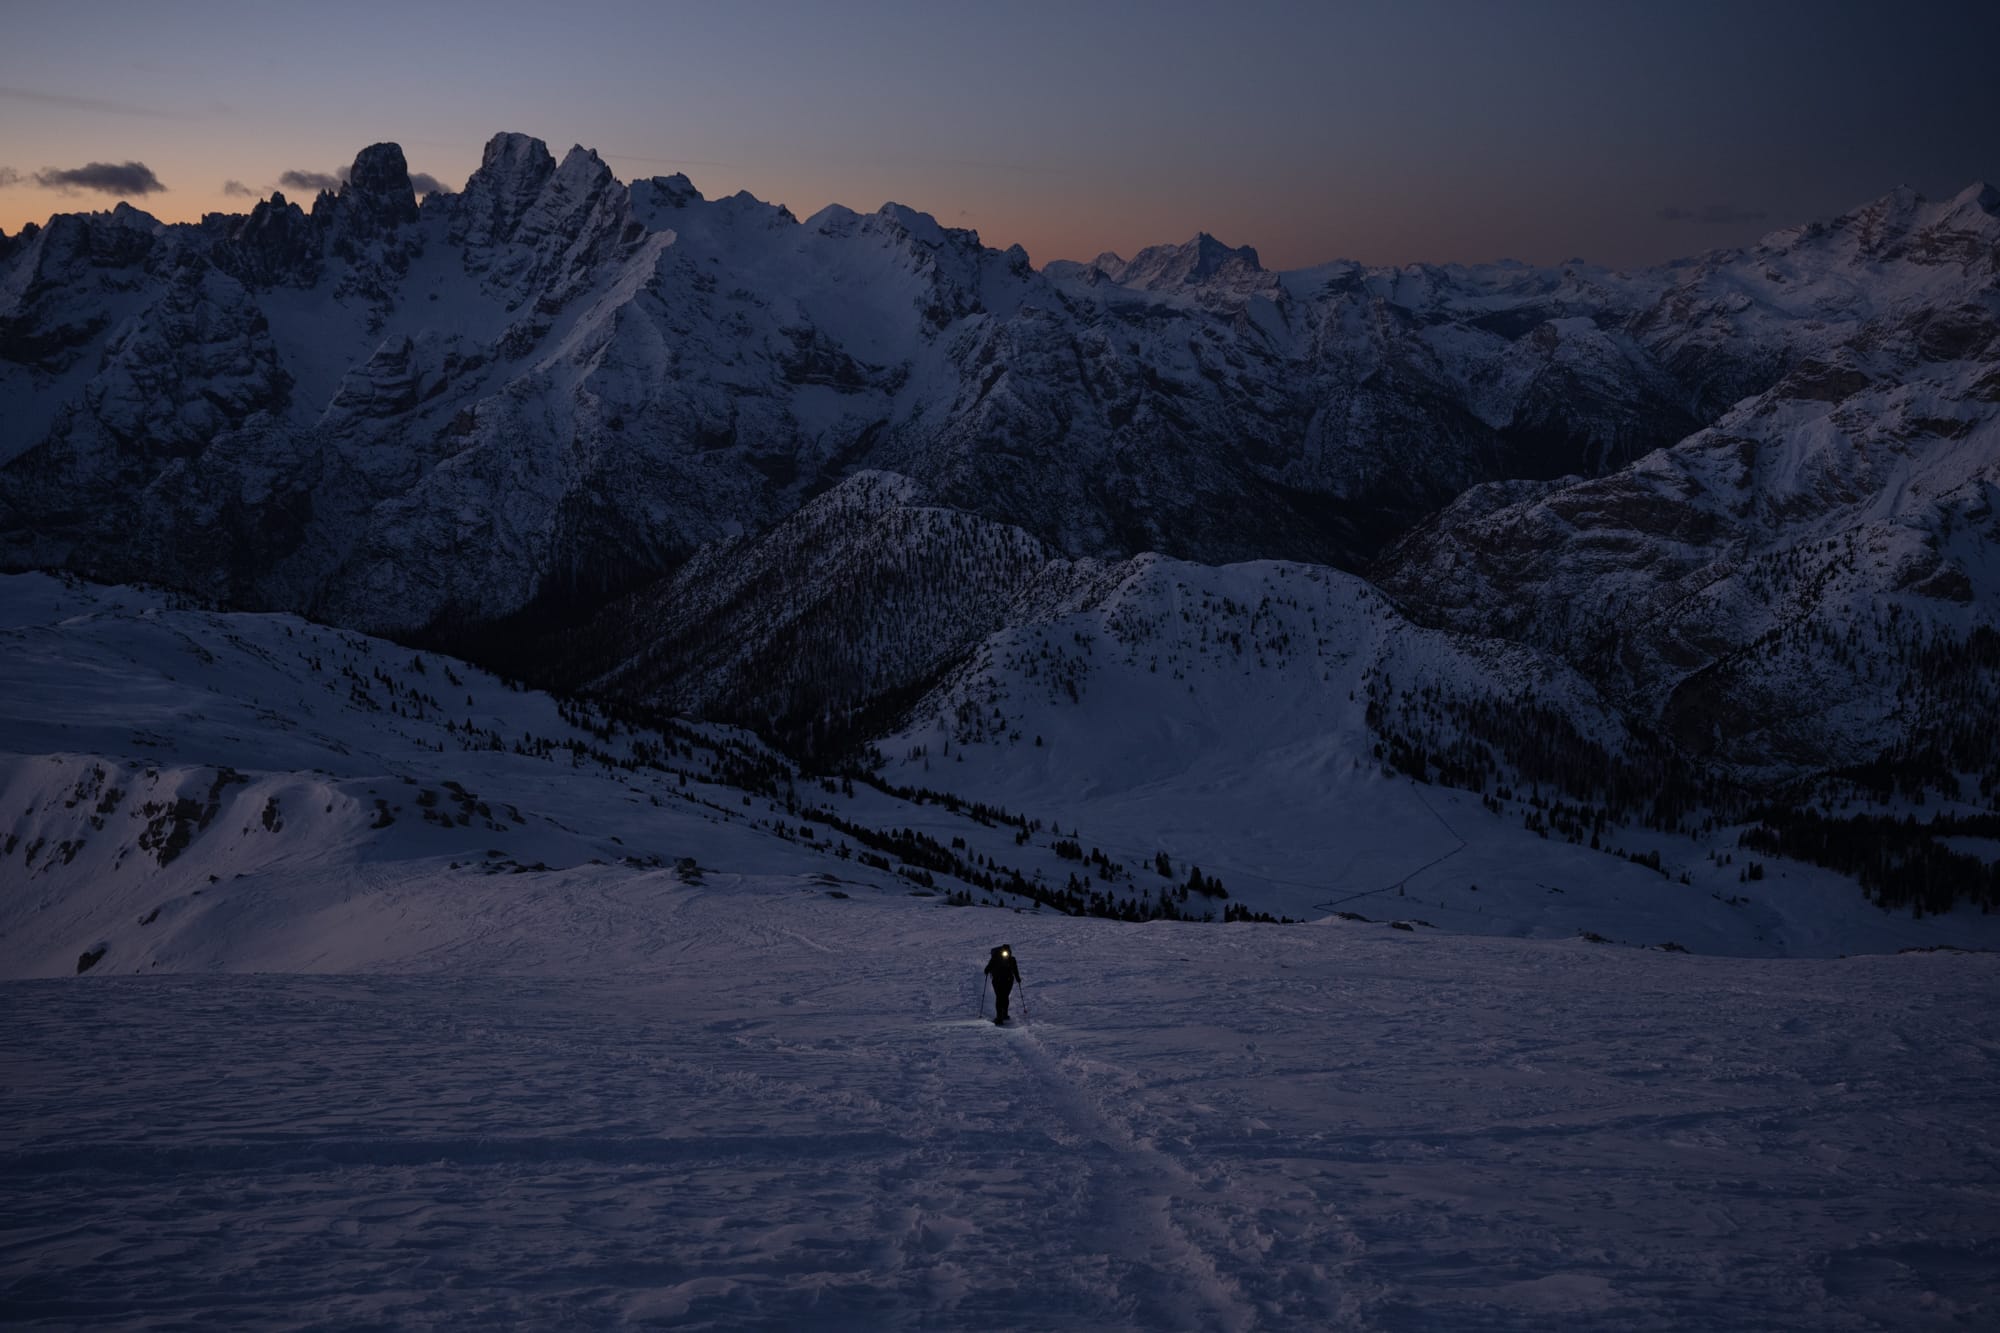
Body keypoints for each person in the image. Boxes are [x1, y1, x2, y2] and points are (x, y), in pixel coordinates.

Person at [984, 944, 1022, 1024]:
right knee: (1000, 997)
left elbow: (1015, 970)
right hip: (997, 981)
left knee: (1004, 997)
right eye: (1005, 951)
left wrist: (1017, 978)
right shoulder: (995, 958)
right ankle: (999, 1017)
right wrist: (987, 970)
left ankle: (1004, 1014)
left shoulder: (1012, 960)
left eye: (1008, 951)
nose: (1006, 953)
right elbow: (988, 967)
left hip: (1008, 981)